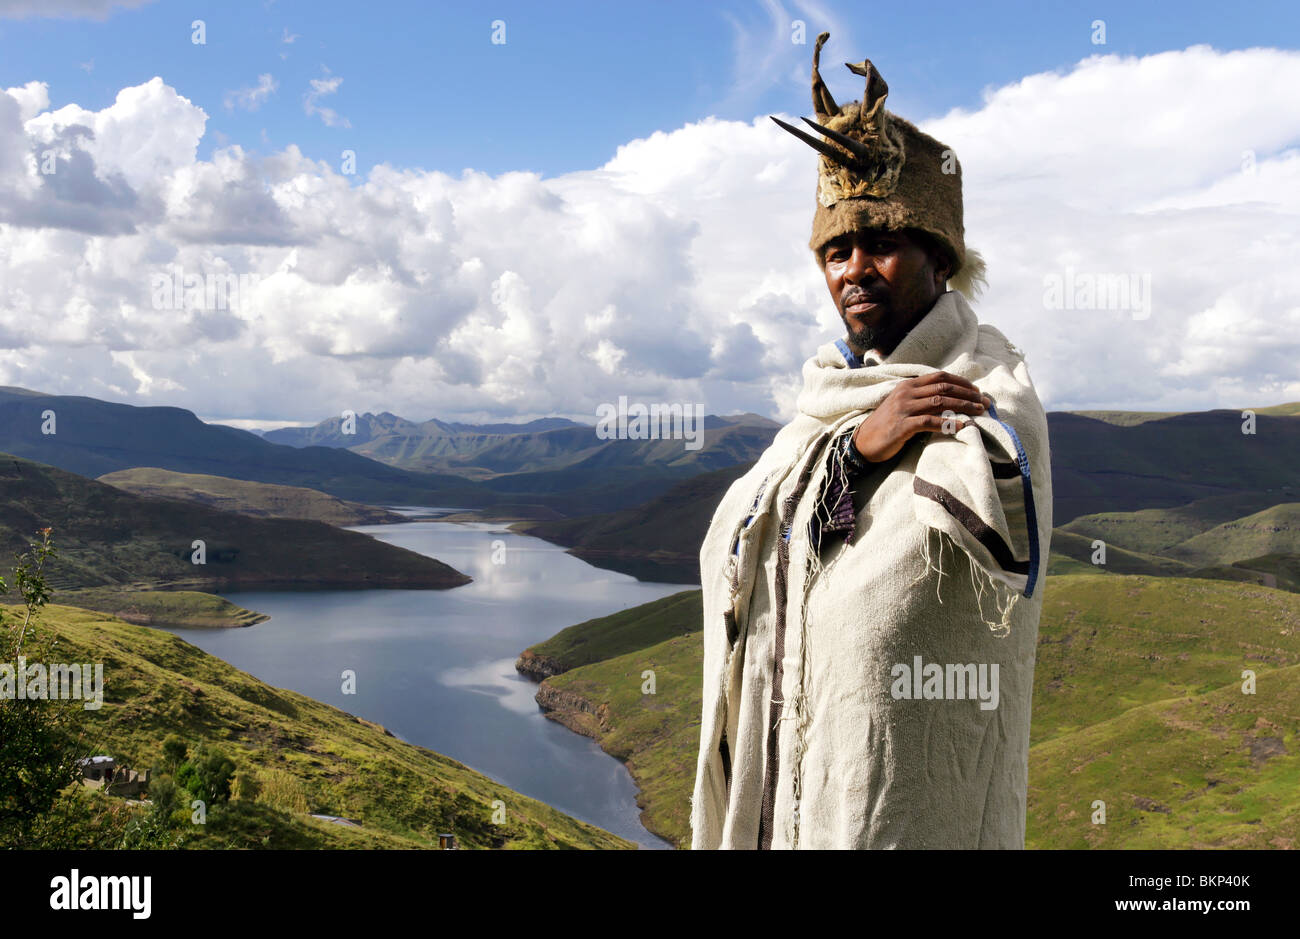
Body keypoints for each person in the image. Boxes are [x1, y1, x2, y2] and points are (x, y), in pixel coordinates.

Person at [689, 32, 1053, 850]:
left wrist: (872, 446)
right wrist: (856, 449)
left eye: (881, 244)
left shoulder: (988, 382)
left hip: (911, 777)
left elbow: (995, 505)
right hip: (799, 760)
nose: (854, 268)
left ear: (939, 259)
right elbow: (755, 545)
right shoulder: (830, 398)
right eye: (835, 250)